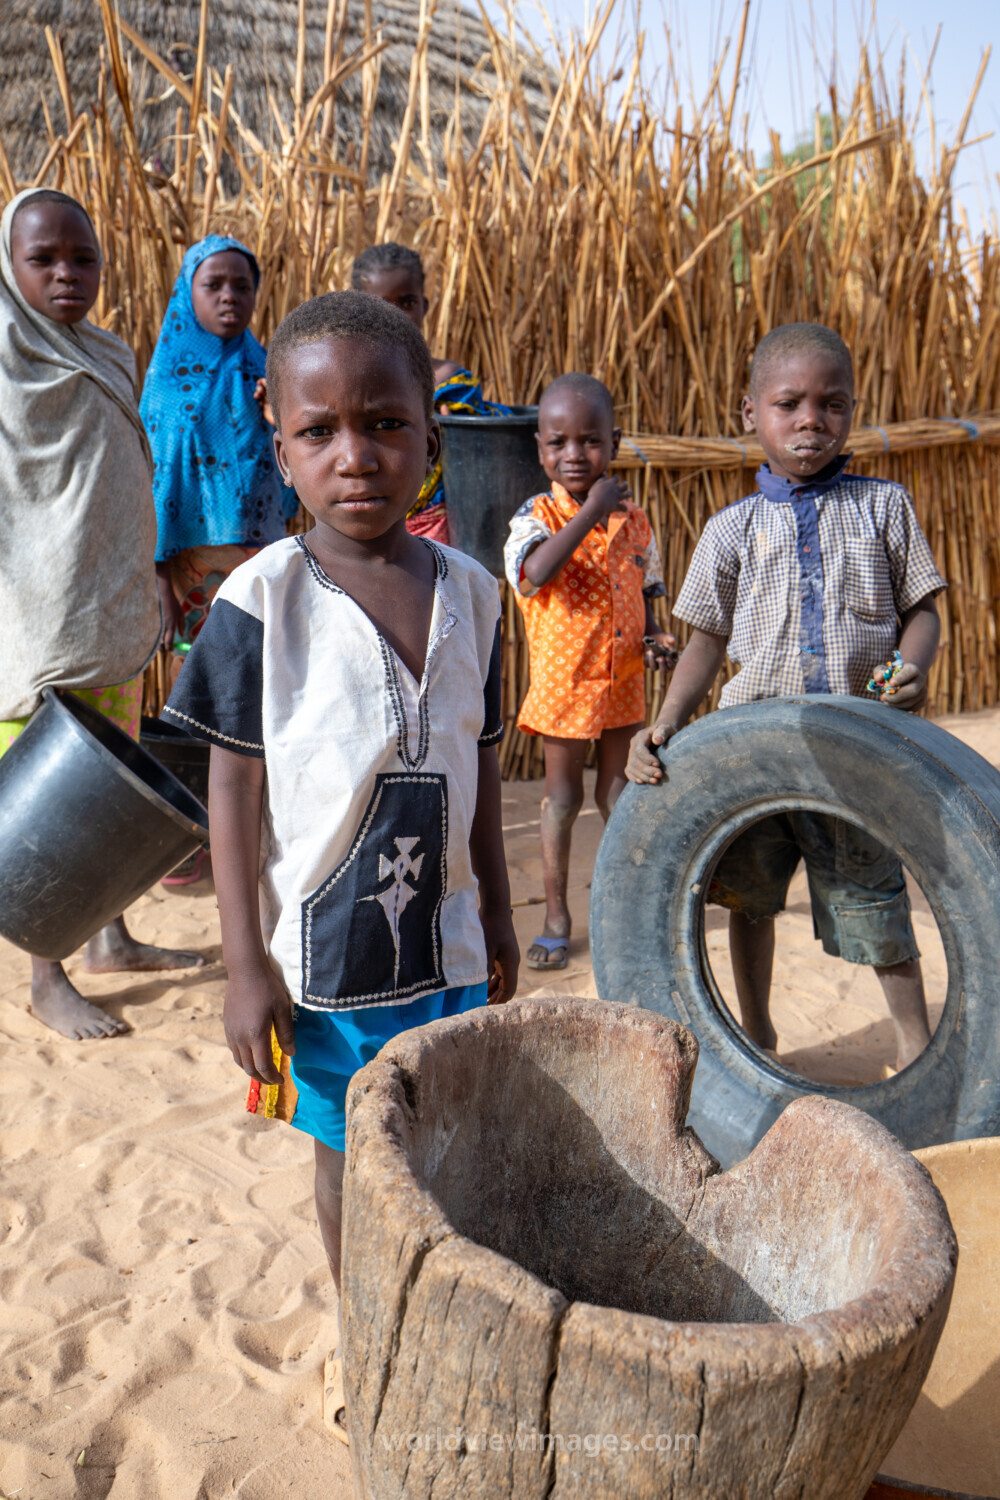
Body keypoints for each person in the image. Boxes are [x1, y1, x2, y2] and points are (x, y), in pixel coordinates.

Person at [162, 289, 519, 1439]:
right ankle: (367, 1328)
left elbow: (477, 775)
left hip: (449, 942)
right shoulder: (258, 601)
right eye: (319, 433)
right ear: (280, 446)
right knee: (343, 1147)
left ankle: (440, 1311)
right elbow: (233, 785)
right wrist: (241, 965)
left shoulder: (473, 595)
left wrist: (502, 917)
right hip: (320, 963)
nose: (353, 455)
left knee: (443, 1135)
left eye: (384, 424)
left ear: (431, 435)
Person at [626, 323, 946, 1074]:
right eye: (789, 404)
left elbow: (924, 608)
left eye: (832, 404)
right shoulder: (730, 529)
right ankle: (762, 1032)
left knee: (873, 895)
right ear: (750, 414)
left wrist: (911, 664)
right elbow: (703, 640)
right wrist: (666, 721)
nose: (811, 421)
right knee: (748, 897)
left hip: (855, 744)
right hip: (753, 752)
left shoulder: (884, 508)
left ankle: (917, 1050)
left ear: (853, 411)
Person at [0, 187, 204, 1040]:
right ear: (10, 269)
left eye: (83, 259)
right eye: (43, 260)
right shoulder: (5, 361)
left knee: (113, 788)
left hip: (108, 613)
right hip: (34, 618)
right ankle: (48, 972)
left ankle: (110, 939)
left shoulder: (111, 354)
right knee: (53, 804)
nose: (66, 275)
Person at [504, 373, 676, 971]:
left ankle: (627, 908)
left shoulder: (637, 521)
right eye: (558, 443)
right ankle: (556, 916)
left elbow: (646, 591)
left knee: (617, 794)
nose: (574, 455)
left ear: (614, 441)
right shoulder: (536, 516)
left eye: (589, 441)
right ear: (540, 447)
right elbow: (534, 575)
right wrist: (592, 510)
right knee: (561, 798)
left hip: (623, 682)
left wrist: (657, 638)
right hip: (565, 686)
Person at [141, 235, 298, 654]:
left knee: (259, 663)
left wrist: (279, 412)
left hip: (263, 552)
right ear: (187, 293)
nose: (229, 297)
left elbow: (297, 463)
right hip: (190, 560)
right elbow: (157, 481)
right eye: (213, 285)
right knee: (197, 663)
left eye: (242, 286)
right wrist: (159, 583)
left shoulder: (269, 372)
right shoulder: (167, 386)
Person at [350, 241, 511, 544]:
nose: (397, 315)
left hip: (440, 530)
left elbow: (478, 461)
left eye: (407, 303)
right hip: (364, 521)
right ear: (359, 308)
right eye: (382, 304)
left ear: (425, 305)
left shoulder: (451, 383)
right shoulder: (345, 383)